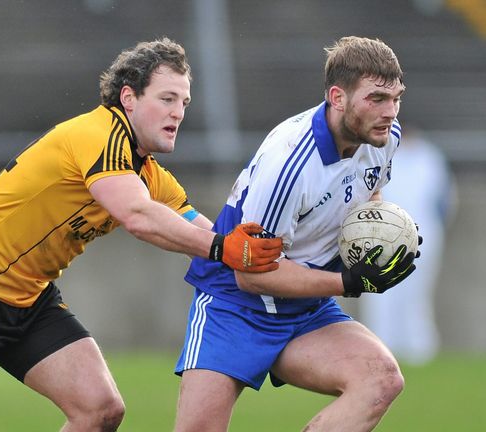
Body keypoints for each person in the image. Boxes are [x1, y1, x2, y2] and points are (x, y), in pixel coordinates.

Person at [0, 38, 283, 432]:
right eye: (167, 99)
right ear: (129, 98)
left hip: (29, 301)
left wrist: (271, 258)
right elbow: (138, 216)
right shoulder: (100, 134)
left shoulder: (149, 174)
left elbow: (201, 234)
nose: (178, 113)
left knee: (100, 411)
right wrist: (224, 248)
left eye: (184, 102)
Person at [173, 36, 418, 432]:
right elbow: (250, 274)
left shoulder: (385, 138)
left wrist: (385, 236)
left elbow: (369, 193)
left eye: (396, 98)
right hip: (234, 305)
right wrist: (347, 282)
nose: (390, 112)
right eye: (376, 98)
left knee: (381, 379)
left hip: (304, 308)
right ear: (338, 97)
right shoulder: (289, 163)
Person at [359, 127, 455, 365]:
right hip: (380, 237)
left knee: (415, 295)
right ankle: (380, 349)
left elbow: (444, 203)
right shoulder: (376, 155)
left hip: (423, 236)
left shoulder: (430, 159)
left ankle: (419, 350)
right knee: (379, 295)